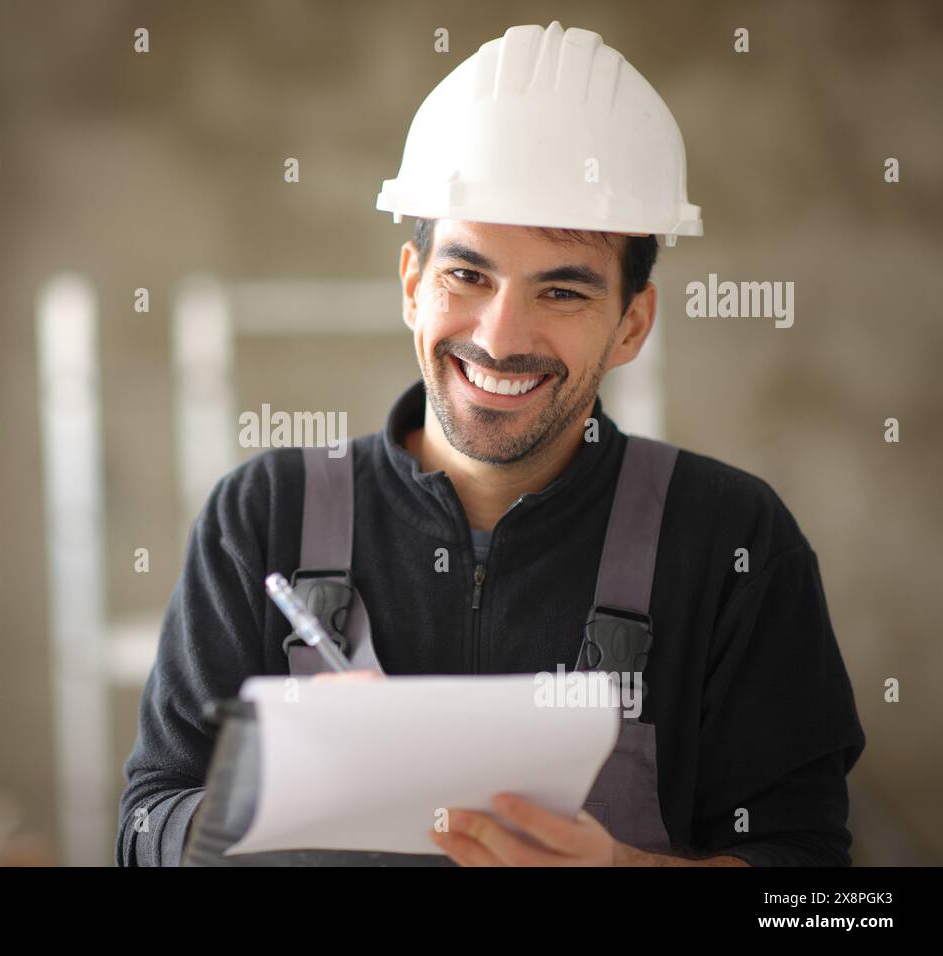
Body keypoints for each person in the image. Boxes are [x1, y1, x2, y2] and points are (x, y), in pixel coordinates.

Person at [116, 22, 864, 867]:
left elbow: (817, 898)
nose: (500, 338)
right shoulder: (262, 515)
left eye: (562, 290)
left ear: (631, 325)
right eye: (467, 275)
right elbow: (143, 826)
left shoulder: (733, 538)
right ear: (412, 284)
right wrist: (273, 795)